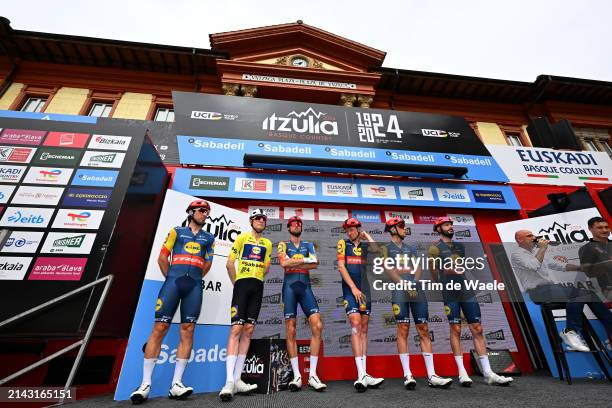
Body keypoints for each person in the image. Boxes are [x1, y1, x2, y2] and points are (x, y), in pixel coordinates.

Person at [130, 200, 215, 404]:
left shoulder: (209, 237)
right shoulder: (176, 232)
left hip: (194, 285)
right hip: (173, 283)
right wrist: (172, 279)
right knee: (159, 328)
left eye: (207, 212)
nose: (205, 214)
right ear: (191, 212)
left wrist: (194, 280)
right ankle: (145, 385)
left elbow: (208, 263)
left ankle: (177, 384)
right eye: (202, 211)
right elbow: (162, 258)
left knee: (188, 330)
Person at [428, 217, 512, 386]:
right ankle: (462, 372)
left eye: (451, 224)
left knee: (478, 328)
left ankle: (488, 372)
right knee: (456, 329)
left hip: (466, 289)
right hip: (449, 291)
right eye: (446, 225)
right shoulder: (434, 248)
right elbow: (432, 271)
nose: (450, 227)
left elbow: (461, 267)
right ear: (438, 229)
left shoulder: (460, 246)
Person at [380, 216, 453, 389]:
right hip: (399, 290)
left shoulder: (411, 247)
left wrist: (413, 283)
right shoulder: (385, 248)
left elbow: (418, 267)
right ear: (392, 229)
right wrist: (404, 283)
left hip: (416, 290)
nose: (405, 229)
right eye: (402, 227)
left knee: (424, 329)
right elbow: (387, 268)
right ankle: (408, 375)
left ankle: (432, 375)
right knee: (403, 329)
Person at [512, 228, 612, 351]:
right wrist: (543, 248)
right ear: (519, 240)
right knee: (582, 294)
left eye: (533, 234)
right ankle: (570, 332)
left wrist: (583, 268)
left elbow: (560, 266)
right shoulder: (517, 254)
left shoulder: (535, 252)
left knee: (589, 294)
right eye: (529, 235)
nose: (533, 237)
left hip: (552, 288)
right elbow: (533, 266)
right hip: (539, 292)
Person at [219, 209, 273, 401]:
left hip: (257, 286)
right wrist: (237, 284)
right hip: (242, 285)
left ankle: (237, 378)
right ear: (251, 221)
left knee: (249, 330)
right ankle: (228, 382)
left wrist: (257, 273)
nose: (261, 221)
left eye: (263, 219)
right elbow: (229, 264)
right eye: (258, 218)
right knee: (236, 329)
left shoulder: (267, 243)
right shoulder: (241, 238)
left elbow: (266, 266)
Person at [278, 216, 327, 391]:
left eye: (299, 224)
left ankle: (312, 375)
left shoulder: (309, 245)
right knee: (290, 329)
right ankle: (297, 376)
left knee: (317, 325)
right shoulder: (283, 244)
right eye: (293, 224)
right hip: (289, 288)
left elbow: (316, 263)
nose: (296, 225)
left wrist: (296, 262)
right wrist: (305, 260)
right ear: (288, 227)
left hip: (305, 287)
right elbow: (284, 262)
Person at [337, 217, 384, 392]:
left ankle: (365, 373)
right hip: (351, 290)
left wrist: (368, 236)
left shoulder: (364, 245)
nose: (349, 232)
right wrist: (353, 288)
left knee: (364, 329)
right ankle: (361, 374)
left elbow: (378, 252)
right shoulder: (343, 243)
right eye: (347, 229)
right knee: (355, 324)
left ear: (358, 229)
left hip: (365, 289)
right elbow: (341, 267)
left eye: (352, 229)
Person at [579, 216, 612, 301]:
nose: (604, 230)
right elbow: (588, 272)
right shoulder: (586, 248)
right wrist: (607, 263)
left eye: (606, 227)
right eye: (600, 228)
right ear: (590, 229)